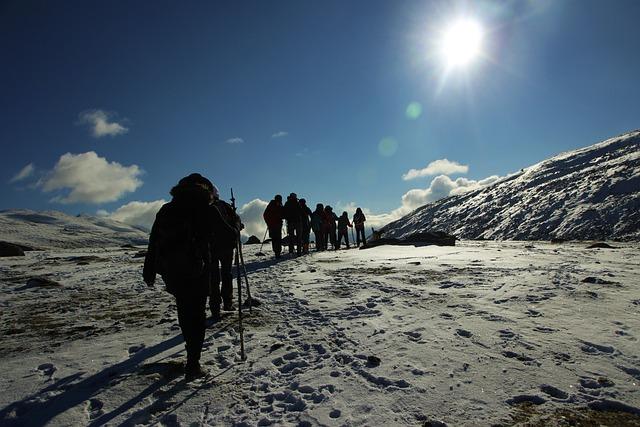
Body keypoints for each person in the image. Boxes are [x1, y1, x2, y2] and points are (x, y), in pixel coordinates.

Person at [143, 173, 214, 380]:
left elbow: (154, 239)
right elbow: (222, 234)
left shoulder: (167, 209)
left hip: (171, 270)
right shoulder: (203, 208)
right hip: (198, 269)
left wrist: (149, 269)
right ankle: (193, 362)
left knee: (184, 309)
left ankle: (190, 352)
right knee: (198, 313)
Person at [208, 184, 243, 319]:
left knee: (214, 277)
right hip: (226, 246)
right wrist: (236, 229)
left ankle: (215, 307)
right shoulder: (223, 206)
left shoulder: (205, 208)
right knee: (226, 274)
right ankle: (227, 303)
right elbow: (236, 219)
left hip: (212, 247)